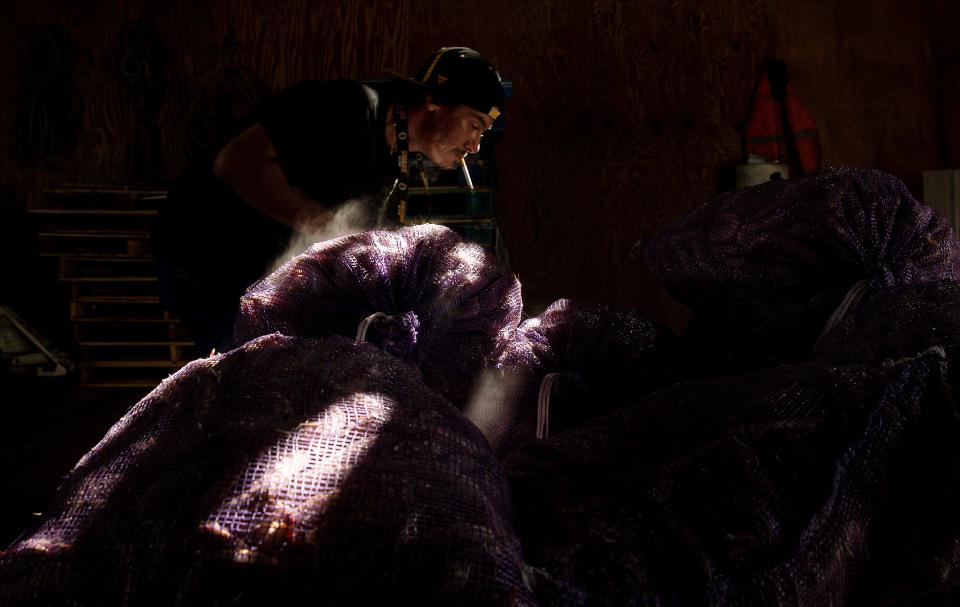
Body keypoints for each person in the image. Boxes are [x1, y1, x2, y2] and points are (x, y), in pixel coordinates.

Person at [152, 47, 506, 354]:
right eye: (474, 125)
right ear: (436, 101)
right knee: (248, 388)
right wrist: (332, 232)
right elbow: (235, 163)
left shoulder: (390, 160)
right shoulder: (350, 108)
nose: (475, 146)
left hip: (250, 274)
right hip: (205, 259)